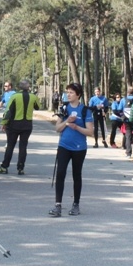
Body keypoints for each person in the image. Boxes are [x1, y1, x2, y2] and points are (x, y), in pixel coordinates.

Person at [49, 82, 93, 217]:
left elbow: (90, 131)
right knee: (60, 173)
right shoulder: (64, 108)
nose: (68, 95)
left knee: (76, 175)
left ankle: (76, 204)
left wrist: (77, 127)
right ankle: (58, 205)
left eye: (71, 92)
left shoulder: (85, 110)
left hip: (79, 148)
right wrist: (67, 120)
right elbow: (57, 128)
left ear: (78, 95)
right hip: (64, 145)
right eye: (67, 92)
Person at [0, 79, 41, 175]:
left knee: (10, 146)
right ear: (28, 87)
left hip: (14, 125)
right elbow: (38, 107)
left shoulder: (15, 96)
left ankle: (4, 167)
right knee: (23, 147)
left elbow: (8, 111)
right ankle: (21, 168)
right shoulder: (33, 97)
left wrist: (4, 123)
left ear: (19, 87)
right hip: (27, 125)